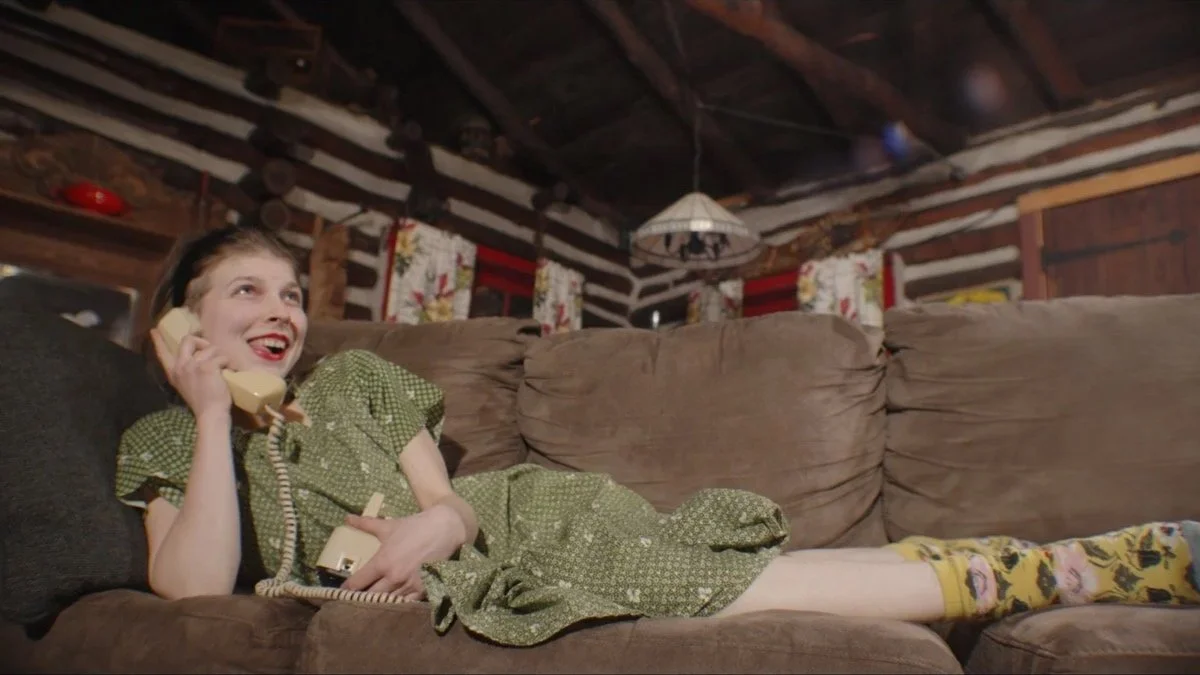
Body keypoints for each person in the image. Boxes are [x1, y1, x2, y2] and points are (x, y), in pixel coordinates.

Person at [115, 225, 1200, 647]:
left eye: (293, 289)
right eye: (245, 290)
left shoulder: (354, 377)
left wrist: (438, 528)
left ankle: (1064, 567)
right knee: (747, 578)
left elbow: (441, 497)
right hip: (372, 534)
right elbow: (193, 584)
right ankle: (1062, 565)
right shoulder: (169, 442)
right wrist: (214, 418)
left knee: (728, 581)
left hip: (503, 528)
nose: (283, 307)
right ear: (185, 318)